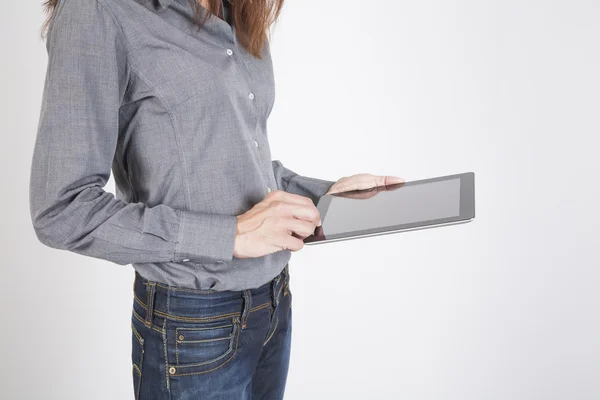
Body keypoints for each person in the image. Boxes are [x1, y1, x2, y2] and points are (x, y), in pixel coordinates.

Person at [29, 0, 403, 398]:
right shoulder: (98, 11)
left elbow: (232, 159)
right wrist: (229, 234)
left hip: (274, 302)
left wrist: (324, 195)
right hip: (193, 325)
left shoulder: (235, 9)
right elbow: (61, 209)